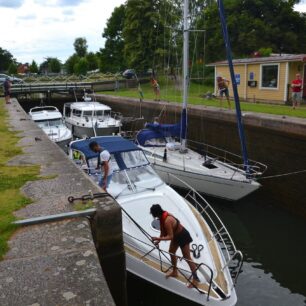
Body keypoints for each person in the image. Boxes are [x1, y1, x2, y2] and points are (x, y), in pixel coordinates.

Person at [150, 204, 200, 288]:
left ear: (156, 213)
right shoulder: (162, 217)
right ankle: (175, 272)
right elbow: (163, 232)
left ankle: (196, 279)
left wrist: (158, 238)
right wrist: (158, 240)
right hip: (176, 236)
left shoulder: (167, 221)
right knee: (171, 252)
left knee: (187, 257)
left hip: (183, 236)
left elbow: (170, 237)